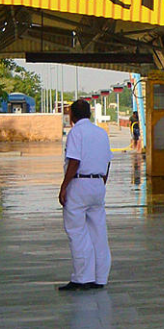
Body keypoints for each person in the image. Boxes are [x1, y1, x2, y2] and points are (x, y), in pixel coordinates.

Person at [58, 98, 113, 291]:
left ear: (72, 115)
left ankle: (82, 278)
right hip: (98, 184)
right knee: (98, 231)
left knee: (77, 231)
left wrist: (64, 186)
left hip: (79, 184)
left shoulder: (76, 132)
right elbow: (107, 162)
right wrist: (100, 183)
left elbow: (74, 160)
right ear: (88, 113)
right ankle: (100, 277)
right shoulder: (101, 133)